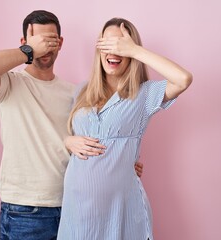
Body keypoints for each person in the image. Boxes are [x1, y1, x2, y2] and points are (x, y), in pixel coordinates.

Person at [0, 10, 144, 240]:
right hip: (27, 210)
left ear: (60, 43)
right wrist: (29, 52)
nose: (45, 48)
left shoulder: (77, 92)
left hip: (75, 206)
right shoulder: (8, 85)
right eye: (38, 42)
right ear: (24, 43)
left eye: (50, 41)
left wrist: (120, 164)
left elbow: (91, 142)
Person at [57, 17, 193, 240]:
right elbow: (73, 136)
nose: (114, 51)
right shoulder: (81, 91)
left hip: (119, 210)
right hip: (77, 210)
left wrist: (136, 50)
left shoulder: (144, 94)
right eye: (108, 45)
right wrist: (68, 141)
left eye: (120, 45)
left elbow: (183, 79)